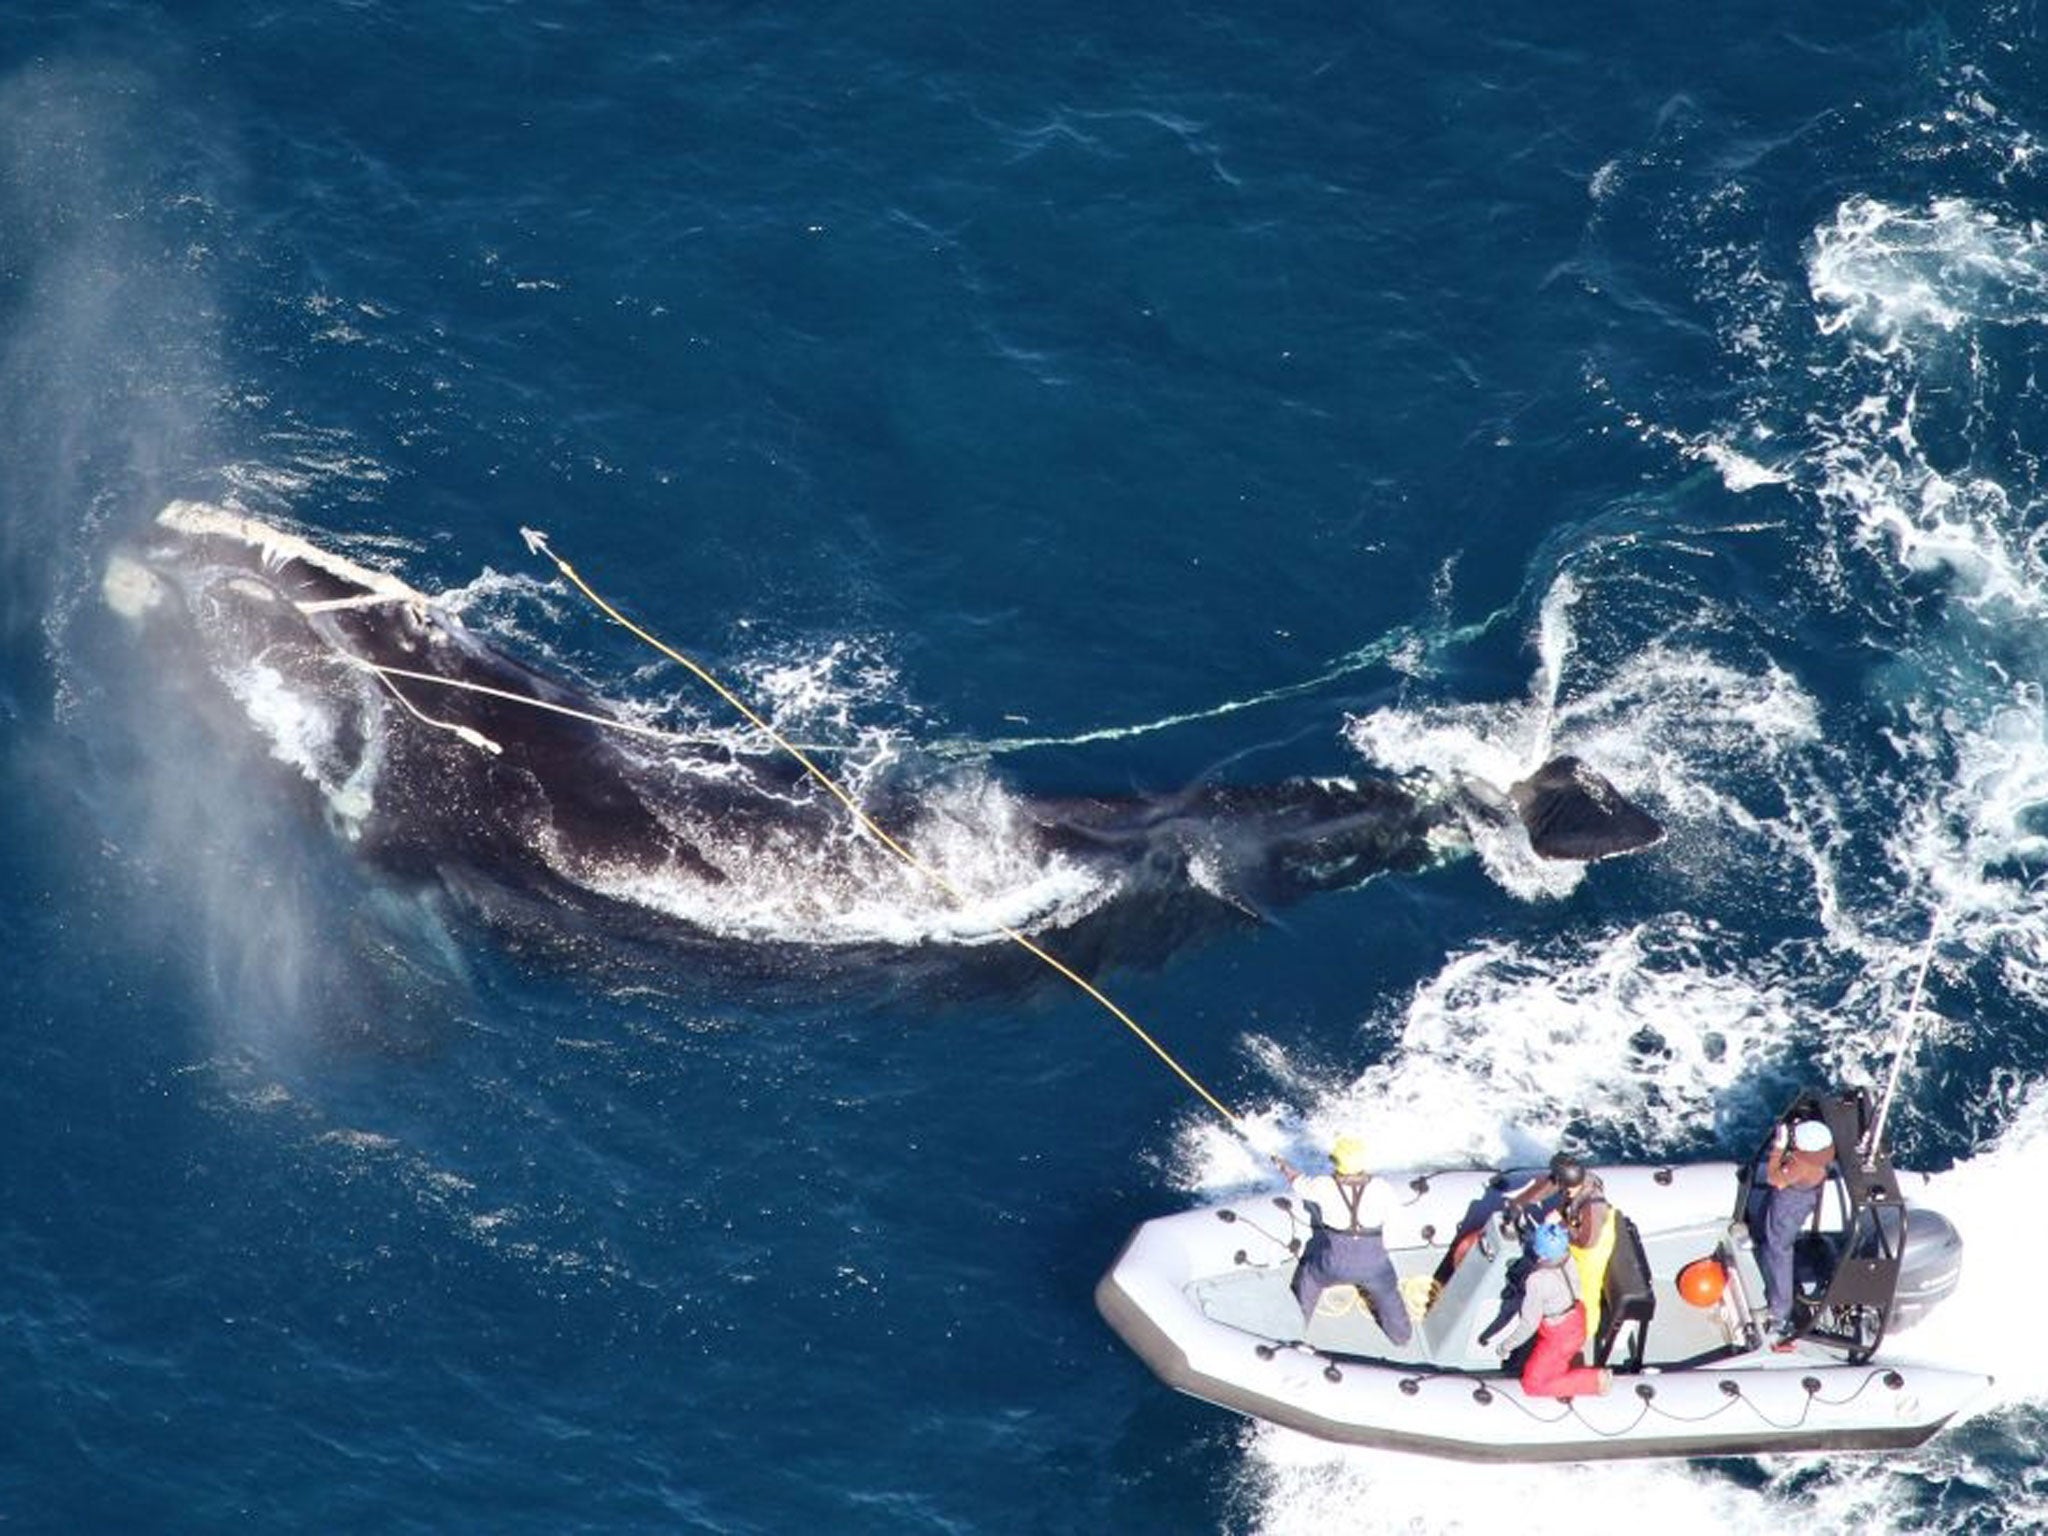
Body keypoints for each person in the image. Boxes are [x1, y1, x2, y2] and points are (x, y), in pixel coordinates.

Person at [1276, 1134, 1413, 1346]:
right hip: (1375, 1266)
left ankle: (1294, 1332)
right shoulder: (1381, 1187)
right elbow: (1397, 1220)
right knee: (1388, 1294)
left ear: (1336, 1163)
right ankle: (1401, 1336)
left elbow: (1297, 1181)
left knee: (1310, 1278)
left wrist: (1282, 1164)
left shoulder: (1323, 1186)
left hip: (1333, 1265)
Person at [1488, 1221, 1614, 1398]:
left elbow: (1529, 1324)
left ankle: (1594, 1381)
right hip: (1577, 1318)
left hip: (1559, 1337)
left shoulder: (1537, 1281)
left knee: (1533, 1385)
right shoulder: (1568, 1258)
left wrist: (1506, 1346)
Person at [1508, 1152, 1618, 1343]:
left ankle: (1586, 1332)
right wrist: (1519, 1203)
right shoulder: (1569, 1181)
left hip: (1592, 1245)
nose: (1563, 1189)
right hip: (1576, 1228)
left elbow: (1587, 1241)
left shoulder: (1593, 1205)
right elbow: (1546, 1187)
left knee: (1586, 1290)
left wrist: (1562, 1224)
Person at [1750, 1115, 1836, 1349]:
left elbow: (1774, 1178)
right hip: (1802, 1198)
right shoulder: (1821, 1154)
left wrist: (1778, 1149)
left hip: (1790, 1203)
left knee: (1779, 1249)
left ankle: (1780, 1312)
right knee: (1776, 1243)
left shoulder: (1800, 1164)